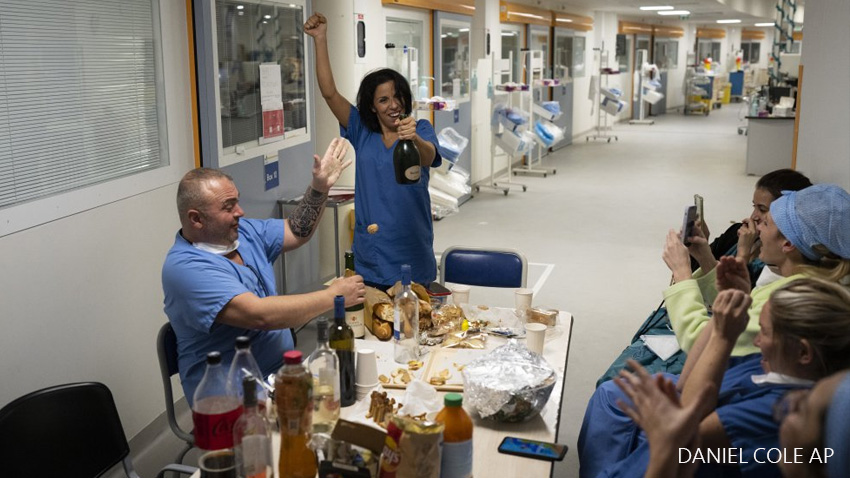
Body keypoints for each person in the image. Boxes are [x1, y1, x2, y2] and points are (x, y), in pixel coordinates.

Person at [162, 138, 366, 405]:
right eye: (228, 207)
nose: (240, 212)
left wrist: (319, 188)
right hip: (230, 397)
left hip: (278, 375)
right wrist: (334, 296)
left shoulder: (240, 233)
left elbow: (295, 230)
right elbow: (259, 315)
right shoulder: (185, 269)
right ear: (196, 219)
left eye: (237, 201)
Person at [580, 277, 850, 478]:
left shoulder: (779, 409)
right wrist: (722, 317)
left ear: (803, 352)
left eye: (765, 332)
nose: (756, 340)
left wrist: (724, 336)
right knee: (611, 393)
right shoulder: (769, 366)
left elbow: (683, 430)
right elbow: (687, 383)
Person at [597, 170, 813, 386]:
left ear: (788, 239)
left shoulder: (784, 300)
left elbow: (706, 338)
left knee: (609, 388)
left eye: (764, 214)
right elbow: (727, 307)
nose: (754, 218)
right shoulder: (772, 265)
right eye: (754, 207)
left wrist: (684, 272)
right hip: (706, 345)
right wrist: (702, 255)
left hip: (712, 364)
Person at [304, 12, 442, 289]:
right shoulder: (361, 131)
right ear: (371, 106)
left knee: (416, 321)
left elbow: (428, 158)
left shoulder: (421, 129)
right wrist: (320, 40)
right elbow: (329, 93)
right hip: (374, 247)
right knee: (376, 324)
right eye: (383, 100)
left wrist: (413, 137)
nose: (393, 105)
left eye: (397, 96)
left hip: (411, 243)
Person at [661, 183, 850, 357]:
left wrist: (682, 274)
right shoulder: (799, 279)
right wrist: (704, 257)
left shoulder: (789, 304)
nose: (757, 227)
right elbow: (736, 316)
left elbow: (703, 342)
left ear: (788, 243)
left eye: (765, 223)